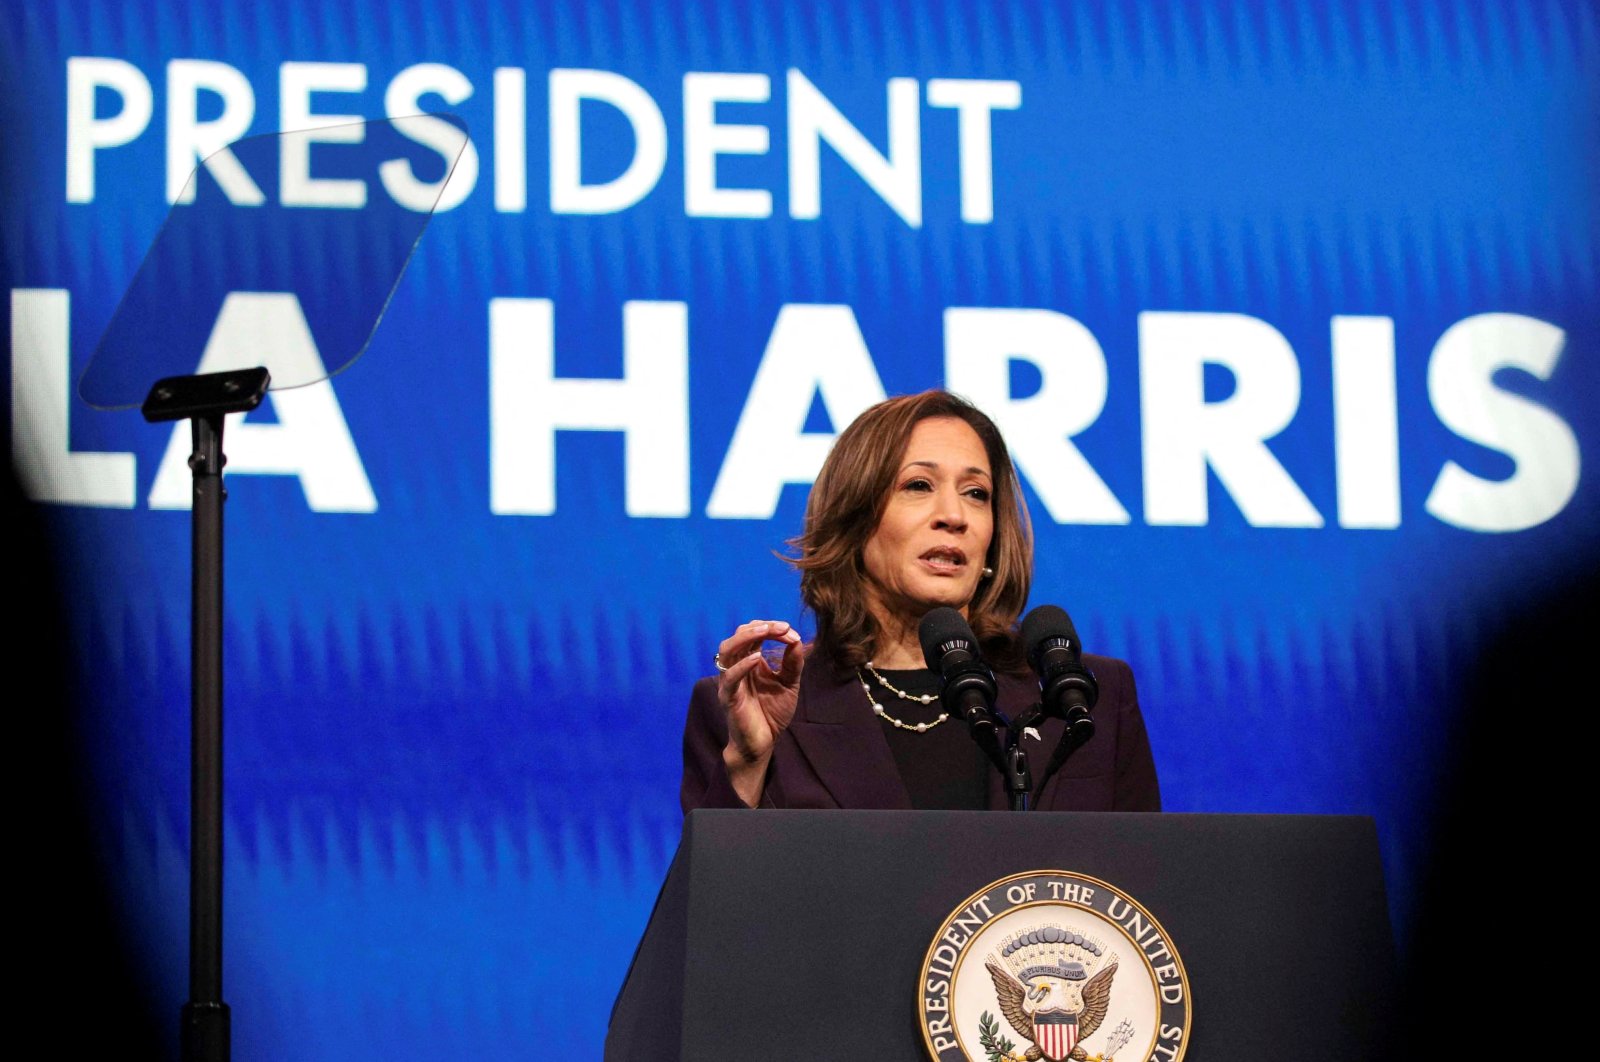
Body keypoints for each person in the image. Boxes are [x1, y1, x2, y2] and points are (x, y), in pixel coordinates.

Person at [680, 390, 1160, 812]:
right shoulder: (755, 709)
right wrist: (747, 763)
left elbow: (1141, 902)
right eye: (918, 486)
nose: (954, 515)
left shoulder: (1080, 697)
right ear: (855, 518)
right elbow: (713, 906)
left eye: (976, 493)